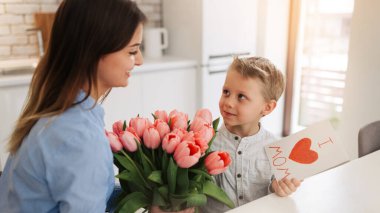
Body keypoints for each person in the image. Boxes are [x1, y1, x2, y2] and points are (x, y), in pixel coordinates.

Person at [0, 0, 146, 212]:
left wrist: (145, 195)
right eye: (132, 51)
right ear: (95, 50)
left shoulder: (58, 113)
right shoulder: (79, 136)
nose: (139, 61)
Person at [202, 56, 302, 212]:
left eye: (241, 96)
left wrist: (278, 189)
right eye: (226, 92)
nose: (228, 102)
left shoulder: (276, 151)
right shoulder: (206, 143)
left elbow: (277, 199)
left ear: (267, 107)